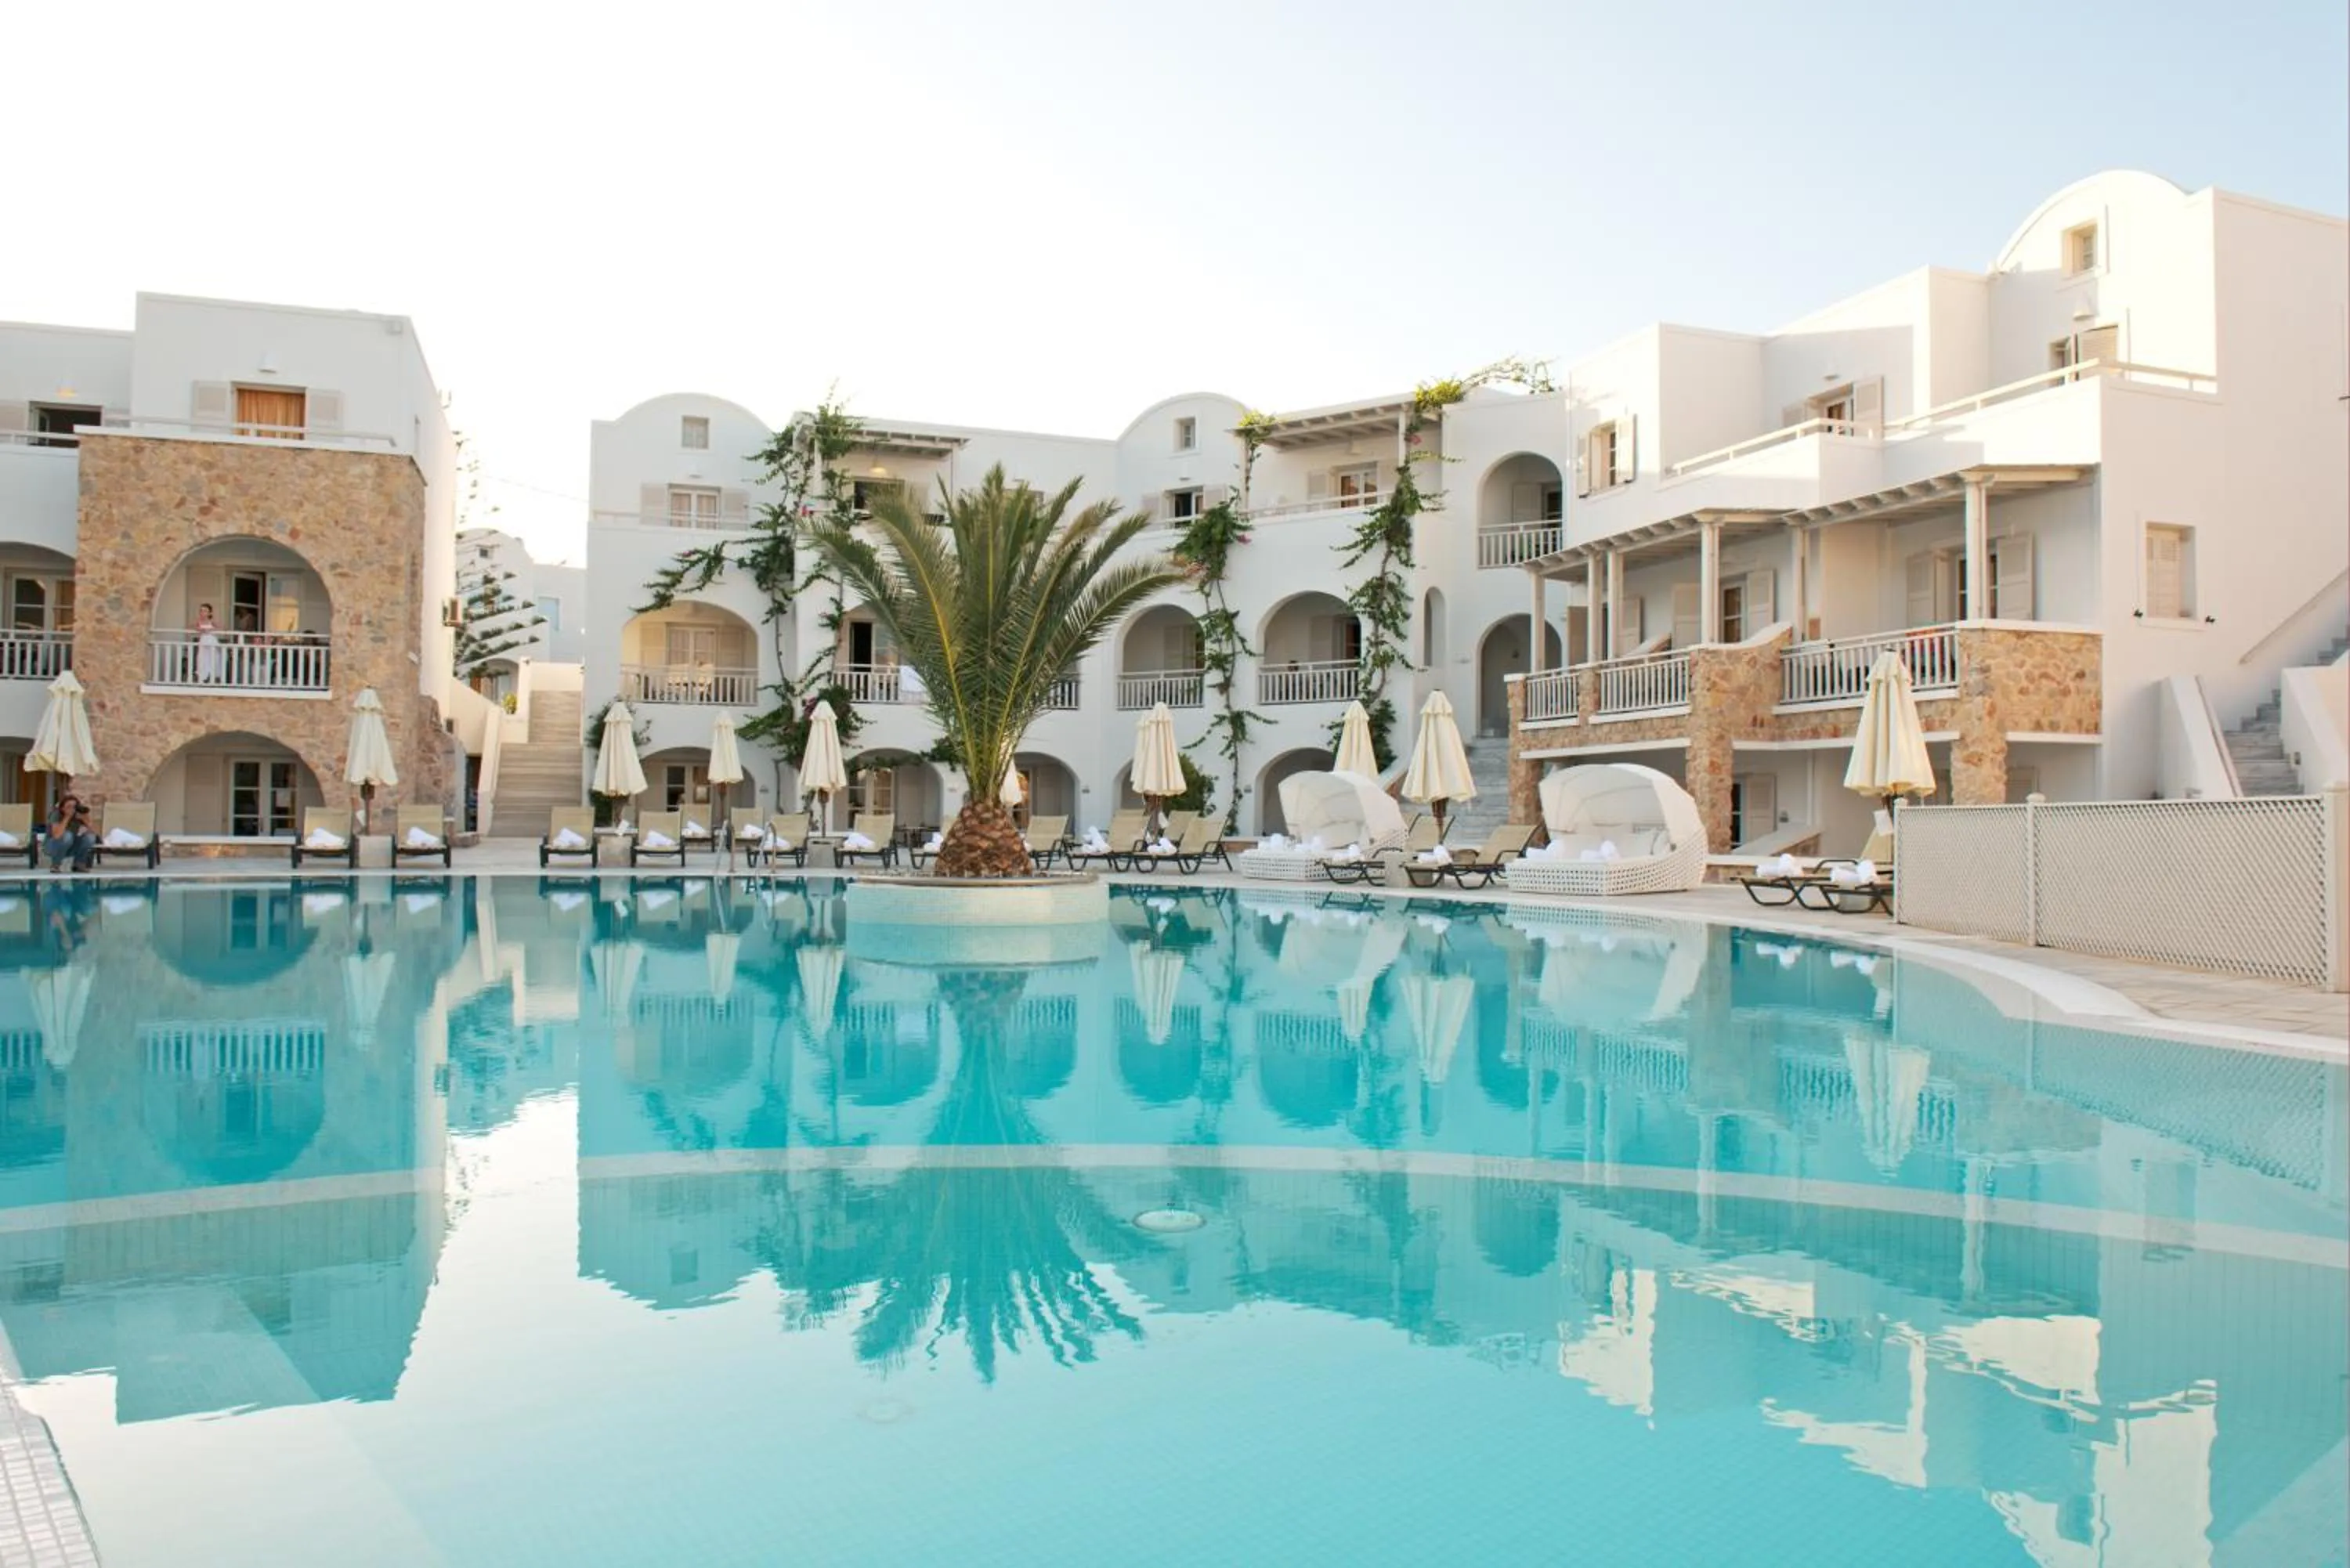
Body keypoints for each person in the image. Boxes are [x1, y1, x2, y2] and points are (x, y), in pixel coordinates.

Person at [42, 794, 93, 875]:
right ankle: (56, 865)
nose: (72, 809)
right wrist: (67, 817)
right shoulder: (56, 814)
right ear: (62, 808)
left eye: (74, 806)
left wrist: (84, 819)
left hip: (70, 846)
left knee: (90, 838)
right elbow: (57, 836)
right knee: (67, 836)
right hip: (52, 847)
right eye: (69, 807)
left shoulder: (79, 815)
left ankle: (79, 864)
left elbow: (94, 833)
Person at [194, 602, 222, 681]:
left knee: (214, 659)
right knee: (202, 659)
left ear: (210, 612)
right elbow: (196, 629)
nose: (203, 613)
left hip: (211, 640)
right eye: (201, 611)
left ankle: (214, 677)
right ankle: (203, 677)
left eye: (205, 611)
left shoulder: (212, 621)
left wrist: (211, 630)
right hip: (203, 641)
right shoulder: (199, 621)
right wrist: (201, 630)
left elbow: (221, 627)